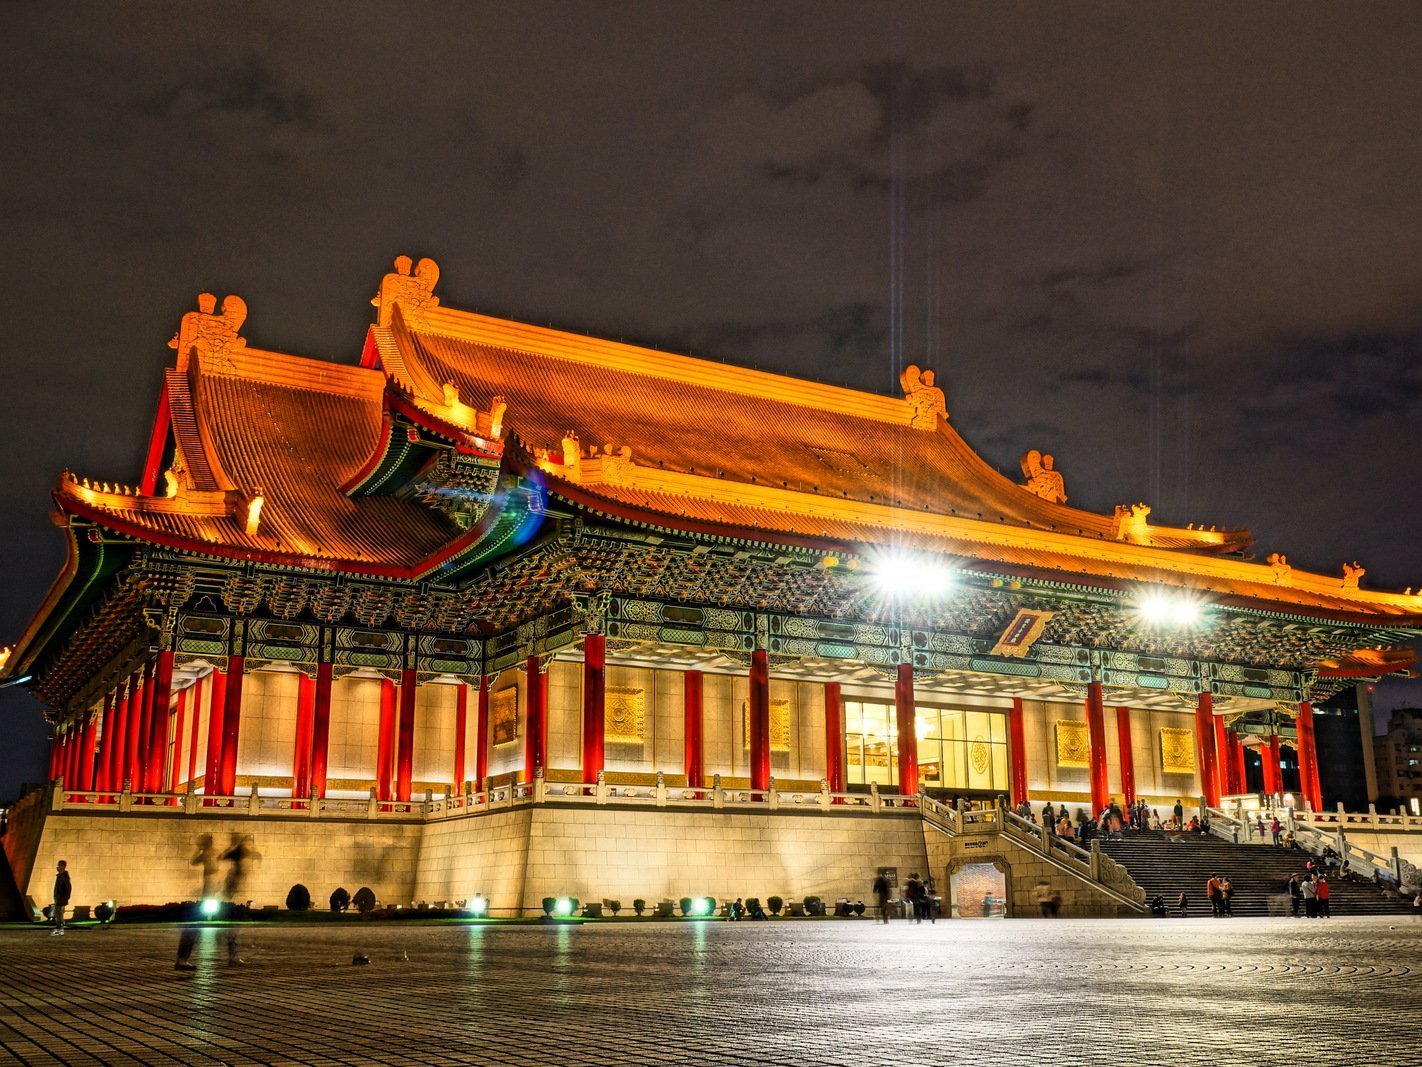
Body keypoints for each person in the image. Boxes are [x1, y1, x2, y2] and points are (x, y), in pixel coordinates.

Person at [51, 860, 71, 936]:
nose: (57, 867)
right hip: (59, 898)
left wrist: (65, 898)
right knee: (59, 913)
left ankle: (59, 928)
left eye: (59, 866)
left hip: (61, 899)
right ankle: (60, 927)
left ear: (63, 866)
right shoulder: (60, 876)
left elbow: (68, 888)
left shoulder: (64, 877)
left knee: (58, 913)